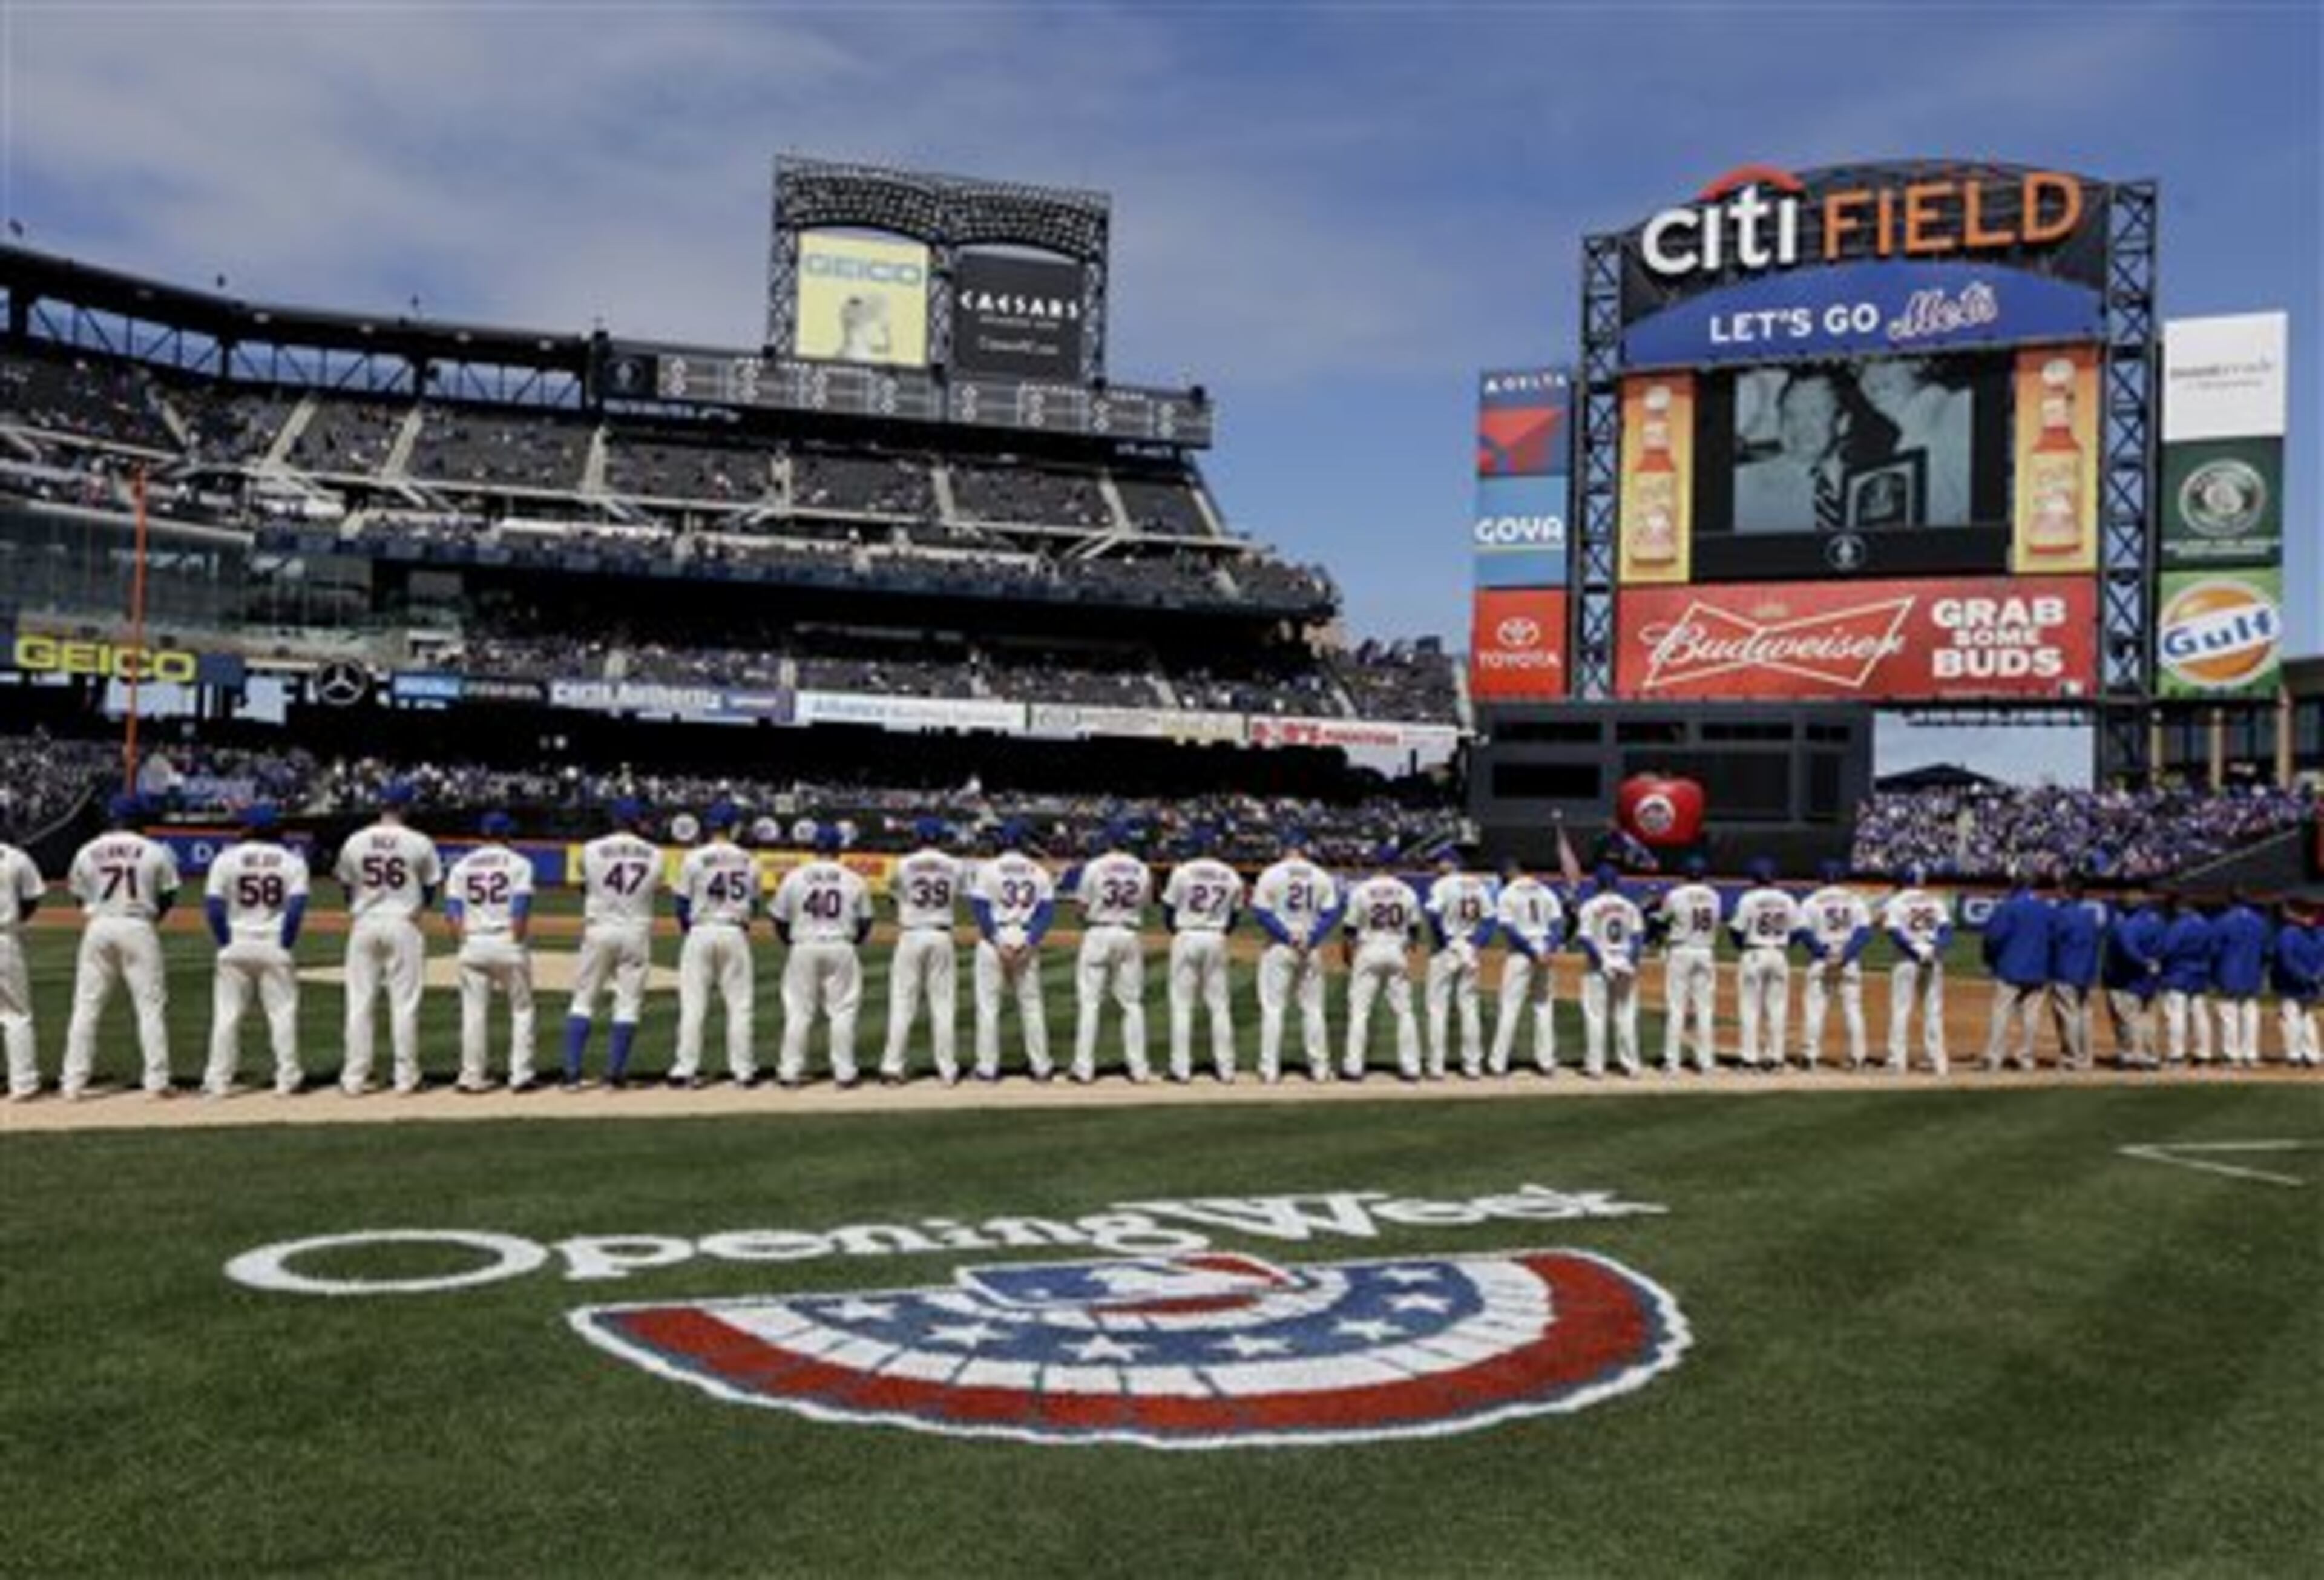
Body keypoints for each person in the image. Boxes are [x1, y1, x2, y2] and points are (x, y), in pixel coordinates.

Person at [61, 795, 181, 1098]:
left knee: (86, 1007)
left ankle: (72, 1083)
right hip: (139, 925)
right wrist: (150, 920)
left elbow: (78, 895)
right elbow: (168, 896)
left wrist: (99, 912)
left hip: (99, 926)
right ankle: (157, 1081)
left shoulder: (88, 850)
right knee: (150, 1007)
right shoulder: (155, 850)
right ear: (139, 821)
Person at [335, 781, 441, 1095]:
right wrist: (417, 909)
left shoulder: (356, 840)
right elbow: (431, 886)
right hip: (403, 922)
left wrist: (361, 907)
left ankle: (354, 1078)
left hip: (365, 922)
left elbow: (344, 883)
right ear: (406, 807)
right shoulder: (419, 841)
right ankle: (406, 1078)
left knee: (359, 1003)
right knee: (405, 1004)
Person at [200, 803, 308, 1098]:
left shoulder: (226, 859)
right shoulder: (292, 861)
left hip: (236, 942)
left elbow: (213, 908)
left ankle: (218, 1081)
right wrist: (285, 943)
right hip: (274, 943)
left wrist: (226, 942)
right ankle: (287, 1078)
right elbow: (296, 910)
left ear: (247, 827)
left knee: (227, 1016)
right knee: (282, 1014)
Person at [564, 798, 661, 1090]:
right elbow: (652, 888)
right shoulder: (655, 853)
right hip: (636, 930)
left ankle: (572, 1073)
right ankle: (615, 1074)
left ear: (614, 820)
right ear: (637, 821)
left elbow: (584, 884)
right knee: (628, 1004)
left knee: (583, 1000)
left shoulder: (591, 849)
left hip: (600, 927)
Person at [770, 825, 875, 1087]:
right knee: (843, 1011)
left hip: (804, 944)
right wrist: (852, 943)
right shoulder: (853, 878)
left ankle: (790, 1071)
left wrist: (791, 943)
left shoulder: (795, 877)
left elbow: (780, 920)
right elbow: (865, 922)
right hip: (841, 944)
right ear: (839, 848)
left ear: (813, 847)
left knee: (799, 1011)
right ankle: (845, 1072)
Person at [444, 811, 538, 1093]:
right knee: (522, 1009)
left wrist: (463, 942)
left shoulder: (462, 866)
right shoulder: (520, 863)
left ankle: (471, 1076)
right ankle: (520, 1074)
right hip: (506, 940)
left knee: (473, 1013)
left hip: (473, 942)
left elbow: (452, 913)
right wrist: (516, 942)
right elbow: (520, 910)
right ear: (507, 834)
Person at [968, 820, 1057, 1082]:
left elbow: (980, 908)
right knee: (1031, 1006)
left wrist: (997, 940)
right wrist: (1030, 941)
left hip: (995, 936)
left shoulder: (989, 869)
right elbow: (1046, 912)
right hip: (1026, 934)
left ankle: (987, 1068)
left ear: (1002, 842)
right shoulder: (1038, 872)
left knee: (988, 1007)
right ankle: (1041, 1067)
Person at [1250, 829, 1341, 1083]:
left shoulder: (1272, 873)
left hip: (1279, 946)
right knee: (1313, 1010)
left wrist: (1287, 936)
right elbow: (1331, 913)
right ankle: (1320, 1069)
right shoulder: (1321, 876)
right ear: (1305, 849)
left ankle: (1270, 1070)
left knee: (1274, 1009)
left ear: (1285, 848)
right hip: (1310, 948)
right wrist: (1311, 938)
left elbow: (1261, 912)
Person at [881, 817, 963, 1085]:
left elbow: (891, 891)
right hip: (941, 933)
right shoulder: (955, 865)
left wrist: (902, 902)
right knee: (943, 1005)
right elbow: (956, 893)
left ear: (918, 836)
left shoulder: (904, 864)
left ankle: (893, 1067)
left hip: (912, 933)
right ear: (941, 836)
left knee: (903, 1003)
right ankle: (947, 1070)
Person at [1070, 824, 1154, 1084]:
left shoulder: (1095, 866)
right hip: (1129, 932)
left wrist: (1088, 921)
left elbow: (1081, 908)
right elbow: (1146, 904)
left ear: (1107, 842)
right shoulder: (1142, 869)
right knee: (1132, 1004)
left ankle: (1084, 1068)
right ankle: (1139, 1068)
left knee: (1090, 1003)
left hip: (1098, 932)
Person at [1160, 827, 1243, 1083]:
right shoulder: (1231, 875)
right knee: (1219, 1006)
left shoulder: (1182, 871)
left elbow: (1168, 910)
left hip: (1187, 934)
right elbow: (1236, 915)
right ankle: (1226, 1069)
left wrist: (1177, 932)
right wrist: (1222, 933)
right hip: (1217, 936)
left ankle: (1181, 1069)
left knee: (1182, 1005)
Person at [1855, 358, 1974, 526]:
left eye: (1884, 362)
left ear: (1919, 363)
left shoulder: (1961, 408)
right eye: (1860, 372)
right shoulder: (1902, 444)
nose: (1870, 380)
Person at [1342, 847, 1423, 1082]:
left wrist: (1348, 955)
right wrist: (1407, 949)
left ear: (1375, 865)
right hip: (1397, 949)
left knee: (1360, 1012)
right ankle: (1411, 1067)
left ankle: (1354, 1067)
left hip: (1369, 949)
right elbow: (1415, 930)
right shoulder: (1407, 892)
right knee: (1405, 1012)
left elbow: (1349, 929)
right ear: (1395, 866)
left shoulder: (1362, 890)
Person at [1733, 371, 1843, 534]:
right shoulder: (1742, 484)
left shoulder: (1868, 480)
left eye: (1814, 414)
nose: (1800, 427)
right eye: (1790, 415)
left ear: (1842, 422)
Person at [1422, 848, 1497, 1079]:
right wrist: (1475, 944)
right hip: (1469, 950)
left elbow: (1432, 914)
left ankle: (1436, 1066)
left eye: (1439, 862)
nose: (1436, 867)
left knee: (1437, 1008)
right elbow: (1490, 920)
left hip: (1447, 951)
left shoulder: (1442, 885)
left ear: (1451, 864)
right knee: (1469, 1007)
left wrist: (1446, 941)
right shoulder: (1478, 885)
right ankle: (1472, 1065)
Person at [1489, 856, 1563, 1076]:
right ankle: (1547, 1062)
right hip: (1544, 950)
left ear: (1508, 873)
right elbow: (1558, 925)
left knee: (1510, 1007)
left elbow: (1508, 928)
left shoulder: (1508, 893)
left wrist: (1531, 952)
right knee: (1543, 1007)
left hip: (1521, 954)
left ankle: (1498, 1064)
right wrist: (1548, 949)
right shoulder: (1546, 891)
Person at [1797, 861, 1873, 1071]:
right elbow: (1864, 932)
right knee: (1853, 1010)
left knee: (1815, 1009)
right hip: (1849, 961)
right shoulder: (1855, 900)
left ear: (1821, 877)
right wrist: (1846, 954)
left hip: (1822, 960)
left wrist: (1823, 953)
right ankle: (1859, 1058)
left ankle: (1810, 1057)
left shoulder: (1811, 901)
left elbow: (1805, 933)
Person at [1728, 858, 1799, 1071]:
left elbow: (1736, 930)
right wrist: (1783, 946)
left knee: (1749, 1009)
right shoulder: (1788, 899)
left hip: (1755, 952)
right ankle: (1776, 1058)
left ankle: (1749, 1059)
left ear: (1754, 877)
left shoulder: (1749, 898)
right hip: (1779, 954)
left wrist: (1744, 949)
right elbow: (1797, 931)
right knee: (1777, 1009)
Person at [1654, 856, 1722, 1075]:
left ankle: (1672, 1062)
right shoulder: (1715, 896)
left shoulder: (1675, 894)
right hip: (1705, 952)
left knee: (1677, 1008)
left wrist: (1652, 909)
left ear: (1685, 872)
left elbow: (1662, 920)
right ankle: (1706, 1063)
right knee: (1705, 1009)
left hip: (1681, 951)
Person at [1882, 866, 1952, 1073]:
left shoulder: (1896, 901)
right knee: (1934, 1010)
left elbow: (1894, 933)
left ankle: (1897, 1062)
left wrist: (1915, 953)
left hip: (1907, 958)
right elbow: (1947, 931)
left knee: (1901, 1009)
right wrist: (1935, 950)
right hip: (1933, 956)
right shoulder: (1935, 900)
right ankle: (1939, 1062)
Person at [1575, 872, 1644, 1078]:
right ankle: (1632, 1066)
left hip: (1599, 965)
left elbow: (1586, 939)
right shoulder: (1630, 906)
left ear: (1598, 883)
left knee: (1596, 1016)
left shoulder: (1590, 906)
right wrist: (1629, 962)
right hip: (1624, 962)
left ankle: (1596, 1067)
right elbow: (1638, 937)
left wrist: (1603, 962)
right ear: (1617, 882)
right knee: (1626, 1015)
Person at [1981, 874, 2052, 1071]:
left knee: (2001, 1013)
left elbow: (1993, 938)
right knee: (2031, 1016)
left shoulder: (2008, 907)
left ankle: (1994, 1057)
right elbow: (2054, 939)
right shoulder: (2046, 909)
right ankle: (2027, 1058)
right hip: (2039, 970)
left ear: (2016, 886)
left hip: (2010, 969)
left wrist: (1989, 961)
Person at [1, 834, 47, 1100]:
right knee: (16, 1015)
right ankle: (23, 1084)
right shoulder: (16, 857)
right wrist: (15, 919)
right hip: (4, 939)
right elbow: (31, 899)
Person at [2046, 873, 2107, 1072]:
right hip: (2087, 972)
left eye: (2060, 889)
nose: (2057, 892)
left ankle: (2072, 1057)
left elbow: (2052, 942)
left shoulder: (2061, 915)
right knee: (2084, 1016)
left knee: (2068, 1016)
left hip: (2065, 971)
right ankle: (2086, 1057)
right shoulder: (2091, 916)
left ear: (2066, 892)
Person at [2101, 894, 2166, 1069]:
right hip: (2152, 979)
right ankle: (2150, 1056)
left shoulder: (2128, 925)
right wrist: (2156, 962)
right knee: (2149, 1018)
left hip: (2130, 978)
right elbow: (2166, 946)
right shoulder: (2158, 921)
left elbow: (2129, 950)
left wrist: (2145, 962)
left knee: (2130, 1018)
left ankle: (2132, 1056)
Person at [2210, 890, 2269, 1068]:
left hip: (2229, 973)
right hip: (2253, 974)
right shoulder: (2260, 921)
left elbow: (2214, 951)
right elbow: (2267, 951)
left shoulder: (2222, 921)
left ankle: (2232, 1056)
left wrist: (2214, 973)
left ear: (2230, 902)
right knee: (2251, 1015)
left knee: (2230, 1016)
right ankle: (2250, 1055)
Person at [2158, 894, 2216, 1066]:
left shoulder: (2180, 925)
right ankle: (2204, 1055)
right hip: (2201, 973)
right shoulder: (2206, 924)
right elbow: (2213, 950)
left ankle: (2176, 1056)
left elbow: (2167, 949)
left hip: (2179, 973)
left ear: (2180, 907)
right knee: (2200, 1016)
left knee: (2176, 1016)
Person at [2273, 904, 2321, 1069]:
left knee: (2291, 1019)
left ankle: (2294, 1056)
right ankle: (2313, 1056)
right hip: (2312, 984)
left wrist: (2305, 977)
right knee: (2307, 1018)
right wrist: (2316, 977)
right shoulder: (2320, 933)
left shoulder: (2288, 933)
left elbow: (2287, 961)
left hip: (2291, 984)